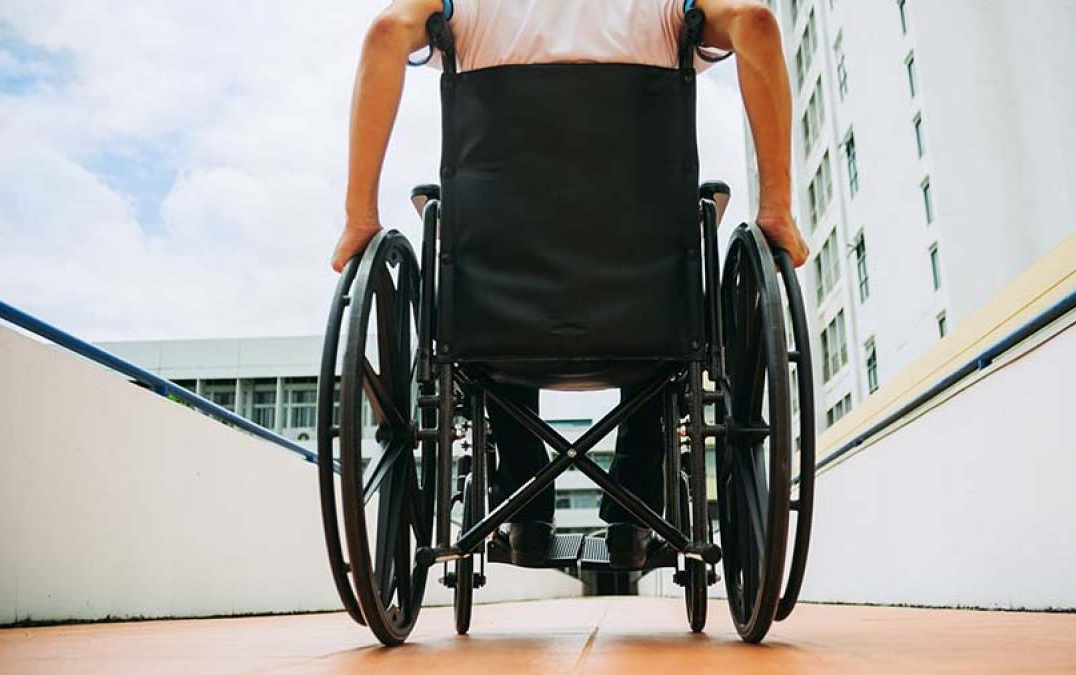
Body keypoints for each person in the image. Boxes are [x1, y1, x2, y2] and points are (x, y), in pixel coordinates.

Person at [330, 0, 808, 568]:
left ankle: (524, 511)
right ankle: (633, 517)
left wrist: (361, 217)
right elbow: (756, 20)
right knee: (665, 295)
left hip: (496, 317)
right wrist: (775, 208)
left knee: (494, 287)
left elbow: (386, 31)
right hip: (648, 315)